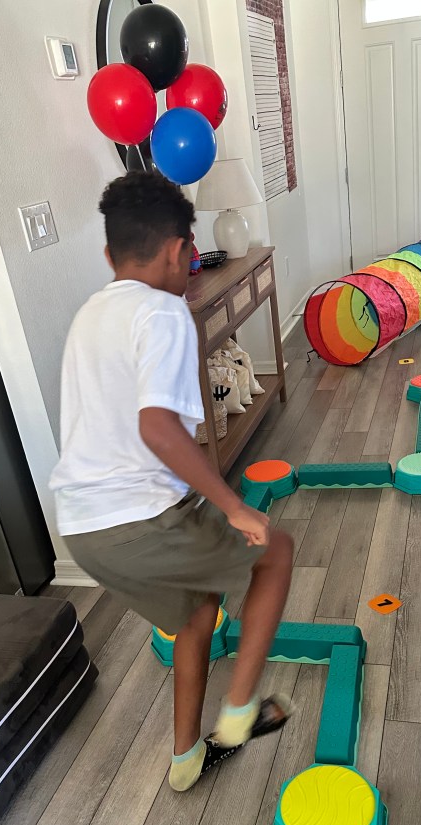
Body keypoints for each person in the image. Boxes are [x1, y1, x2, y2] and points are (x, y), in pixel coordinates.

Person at [50, 171, 294, 793]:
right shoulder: (163, 312)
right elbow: (159, 428)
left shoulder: (88, 314)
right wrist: (234, 505)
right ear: (182, 250)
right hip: (138, 522)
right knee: (276, 550)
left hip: (83, 531)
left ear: (109, 255)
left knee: (196, 612)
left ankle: (187, 758)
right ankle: (239, 717)